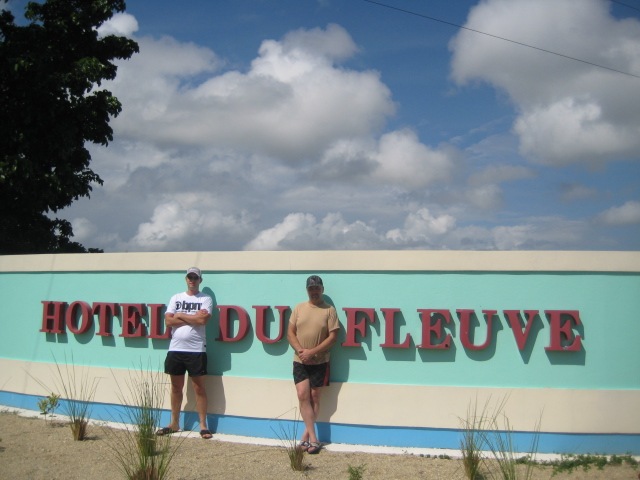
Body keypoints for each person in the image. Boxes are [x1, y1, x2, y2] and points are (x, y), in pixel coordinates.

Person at [156, 267, 213, 439]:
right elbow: (168, 321)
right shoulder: (176, 297)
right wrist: (192, 317)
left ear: (200, 280)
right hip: (176, 349)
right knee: (176, 388)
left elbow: (203, 320)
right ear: (186, 279)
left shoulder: (205, 299)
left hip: (196, 350)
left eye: (195, 278)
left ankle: (203, 426)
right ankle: (174, 423)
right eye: (190, 277)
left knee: (199, 388)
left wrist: (180, 315)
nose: (192, 280)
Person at [286, 275, 340, 454]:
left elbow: (333, 337)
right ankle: (314, 439)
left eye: (317, 288)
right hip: (299, 360)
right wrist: (301, 351)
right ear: (307, 290)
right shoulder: (299, 308)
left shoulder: (329, 310)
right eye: (311, 288)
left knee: (315, 397)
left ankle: (305, 438)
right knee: (303, 395)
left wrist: (313, 352)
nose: (314, 291)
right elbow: (290, 333)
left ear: (322, 289)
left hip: (320, 361)